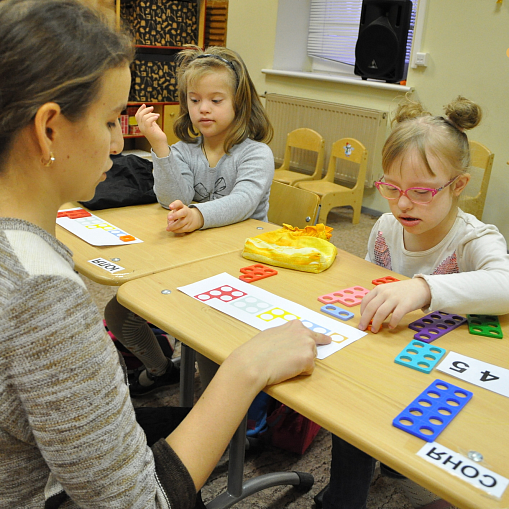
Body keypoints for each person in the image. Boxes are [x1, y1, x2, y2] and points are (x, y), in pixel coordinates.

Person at [0, 1, 331, 507]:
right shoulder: (41, 291)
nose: (118, 142)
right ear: (49, 129)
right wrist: (247, 368)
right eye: (112, 120)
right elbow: (138, 501)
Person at [316, 96, 509, 509]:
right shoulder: (385, 226)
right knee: (352, 405)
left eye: (421, 192)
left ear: (459, 185)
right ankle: (344, 495)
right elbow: (366, 279)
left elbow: (505, 283)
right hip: (389, 356)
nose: (403, 203)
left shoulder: (474, 237)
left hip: (444, 369)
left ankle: (395, 464)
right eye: (391, 187)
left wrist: (423, 289)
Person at [105, 45, 276, 396]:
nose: (203, 109)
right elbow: (170, 197)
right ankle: (160, 369)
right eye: (195, 100)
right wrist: (160, 146)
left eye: (216, 100)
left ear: (239, 103)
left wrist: (198, 214)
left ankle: (223, 415)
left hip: (239, 266)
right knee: (119, 311)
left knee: (207, 341)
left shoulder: (257, 153)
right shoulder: (186, 150)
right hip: (191, 259)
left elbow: (243, 202)